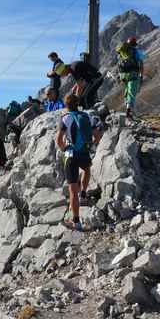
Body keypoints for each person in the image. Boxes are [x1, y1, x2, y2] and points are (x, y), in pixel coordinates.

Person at [56, 93, 102, 230]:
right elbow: (97, 135)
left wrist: (65, 148)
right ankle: (83, 194)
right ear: (78, 103)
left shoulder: (64, 119)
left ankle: (76, 222)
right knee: (87, 170)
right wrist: (91, 144)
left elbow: (59, 140)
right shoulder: (86, 116)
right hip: (84, 152)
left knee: (72, 190)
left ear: (66, 105)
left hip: (71, 155)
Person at [116, 36, 145, 119]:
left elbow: (119, 63)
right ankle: (129, 111)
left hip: (123, 75)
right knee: (132, 92)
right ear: (135, 44)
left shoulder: (122, 52)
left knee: (127, 91)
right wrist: (141, 75)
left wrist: (119, 75)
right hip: (133, 74)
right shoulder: (136, 52)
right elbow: (141, 64)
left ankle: (128, 108)